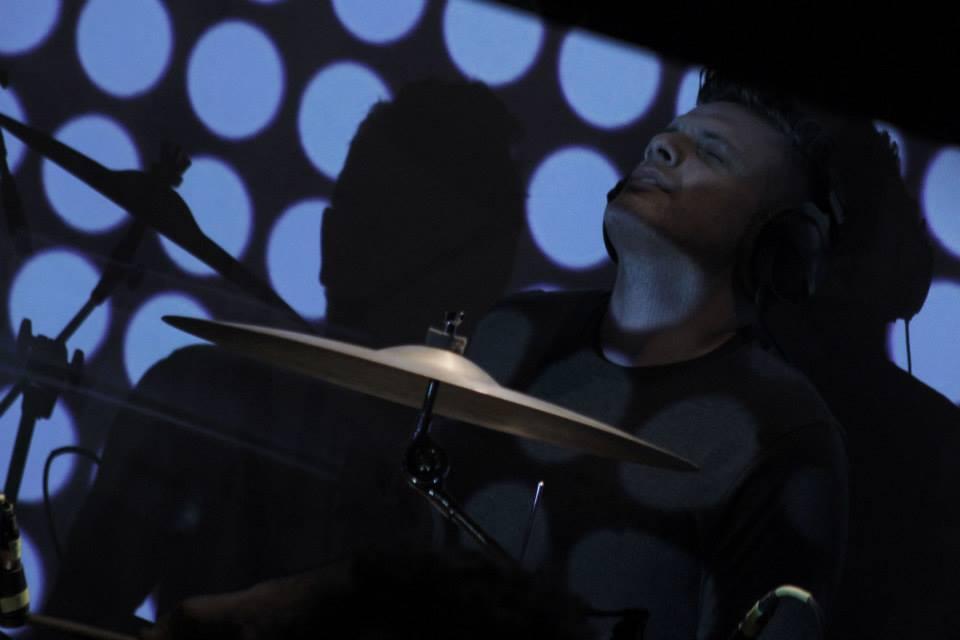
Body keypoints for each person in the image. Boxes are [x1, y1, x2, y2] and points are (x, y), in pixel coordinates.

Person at [135, 67, 856, 640]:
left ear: (781, 246)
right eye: (670, 135)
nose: (664, 149)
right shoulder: (514, 336)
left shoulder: (782, 433)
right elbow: (398, 568)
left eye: (713, 153)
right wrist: (254, 610)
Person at [37, 78, 527, 637]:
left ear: (485, 274)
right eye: (363, 216)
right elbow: (72, 623)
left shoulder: (491, 475)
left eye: (394, 226)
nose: (349, 240)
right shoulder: (198, 395)